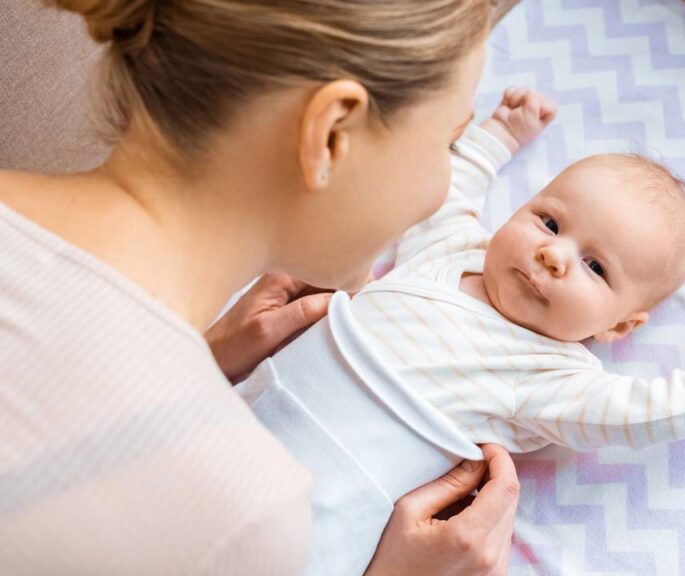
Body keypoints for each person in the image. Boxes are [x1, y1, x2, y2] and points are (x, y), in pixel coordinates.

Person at [0, 0, 519, 574]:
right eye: (449, 143)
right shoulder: (242, 516)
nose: (444, 189)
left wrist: (200, 360)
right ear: (332, 134)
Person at [239, 86, 685, 565]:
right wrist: (499, 134)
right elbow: (448, 192)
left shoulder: (551, 375)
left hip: (321, 511)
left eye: (595, 267)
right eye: (550, 222)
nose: (553, 255)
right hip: (243, 418)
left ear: (619, 327)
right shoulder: (451, 250)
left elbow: (647, 412)